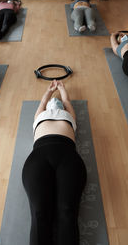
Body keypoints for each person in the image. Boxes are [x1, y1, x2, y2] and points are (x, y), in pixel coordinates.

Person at [22, 80, 87, 245]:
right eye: (52, 102)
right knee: (39, 213)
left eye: (56, 102)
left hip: (68, 157)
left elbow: (66, 102)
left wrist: (62, 89)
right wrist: (49, 91)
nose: (54, 103)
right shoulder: (39, 116)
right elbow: (43, 102)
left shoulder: (69, 115)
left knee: (67, 213)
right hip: (39, 158)